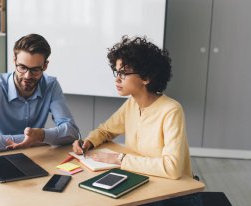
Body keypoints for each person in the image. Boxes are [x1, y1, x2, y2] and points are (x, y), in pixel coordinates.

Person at [73, 36, 192, 180]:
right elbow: (105, 131)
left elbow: (172, 168)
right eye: (117, 72)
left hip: (172, 190)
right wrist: (89, 142)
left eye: (124, 73)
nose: (117, 79)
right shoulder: (132, 104)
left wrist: (120, 159)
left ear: (146, 77)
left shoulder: (171, 110)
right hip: (141, 178)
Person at [0, 33, 79, 153]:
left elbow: (72, 132)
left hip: (35, 154)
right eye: (22, 67)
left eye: (35, 70)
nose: (27, 76)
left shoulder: (51, 85)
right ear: (14, 61)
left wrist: (41, 135)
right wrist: (35, 139)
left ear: (45, 66)